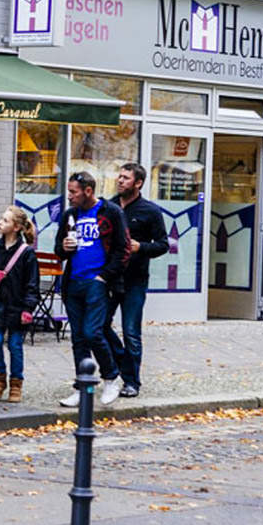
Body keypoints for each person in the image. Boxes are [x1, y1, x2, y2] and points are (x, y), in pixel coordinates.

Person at [54, 171, 129, 407]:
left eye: (74, 192)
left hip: (97, 283)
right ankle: (82, 386)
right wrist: (64, 248)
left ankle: (111, 378)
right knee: (78, 337)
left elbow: (123, 249)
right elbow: (59, 249)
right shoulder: (70, 215)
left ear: (88, 191)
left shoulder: (110, 212)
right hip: (73, 282)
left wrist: (103, 277)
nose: (70, 196)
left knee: (93, 332)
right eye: (69, 192)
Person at [104, 163, 169, 398]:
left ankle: (132, 382)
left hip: (135, 280)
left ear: (138, 183)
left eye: (126, 178)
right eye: (119, 176)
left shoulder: (150, 211)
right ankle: (122, 364)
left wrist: (141, 247)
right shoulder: (108, 207)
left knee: (131, 331)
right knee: (99, 326)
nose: (120, 180)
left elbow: (164, 244)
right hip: (110, 278)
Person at [0, 206, 40, 404]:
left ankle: (16, 384)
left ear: (16, 227)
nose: (0, 222)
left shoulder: (26, 254)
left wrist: (28, 309)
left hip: (18, 306)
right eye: (1, 218)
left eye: (5, 220)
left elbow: (32, 284)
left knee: (15, 344)